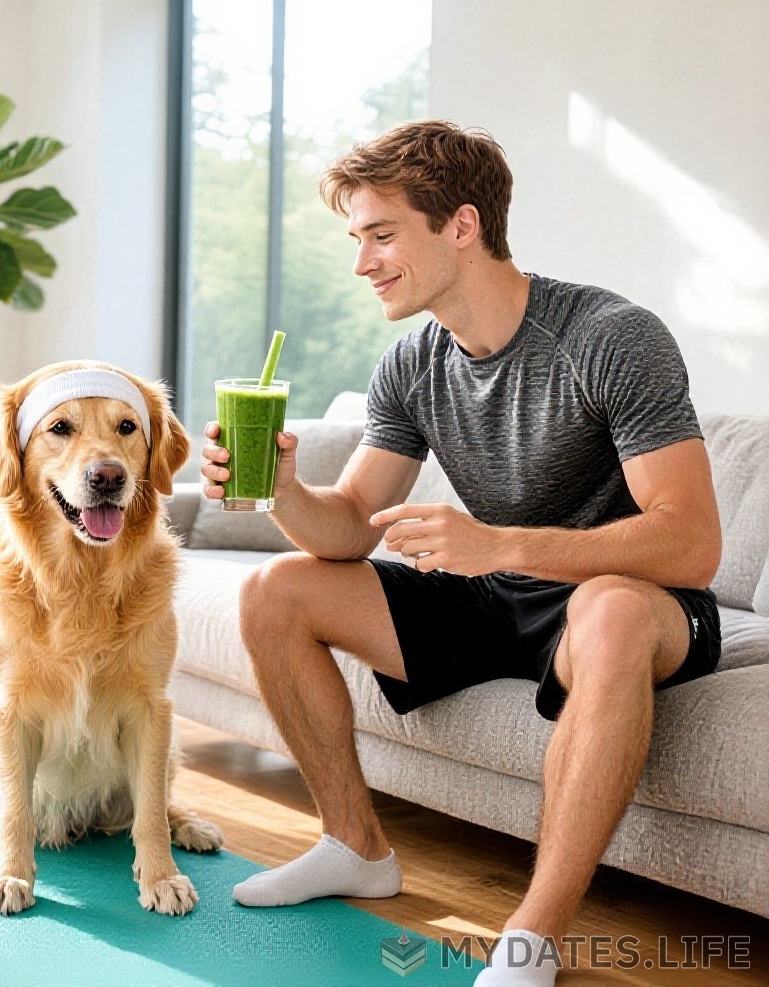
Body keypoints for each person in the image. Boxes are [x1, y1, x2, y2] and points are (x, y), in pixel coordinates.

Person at [200, 120, 722, 986]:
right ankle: (354, 847)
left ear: (463, 226)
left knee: (617, 608)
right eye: (356, 239)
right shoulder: (412, 361)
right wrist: (286, 492)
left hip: (627, 597)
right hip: (498, 590)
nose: (362, 262)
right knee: (277, 590)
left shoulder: (610, 336)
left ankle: (533, 937)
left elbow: (694, 542)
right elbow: (349, 524)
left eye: (381, 233)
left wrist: (496, 543)